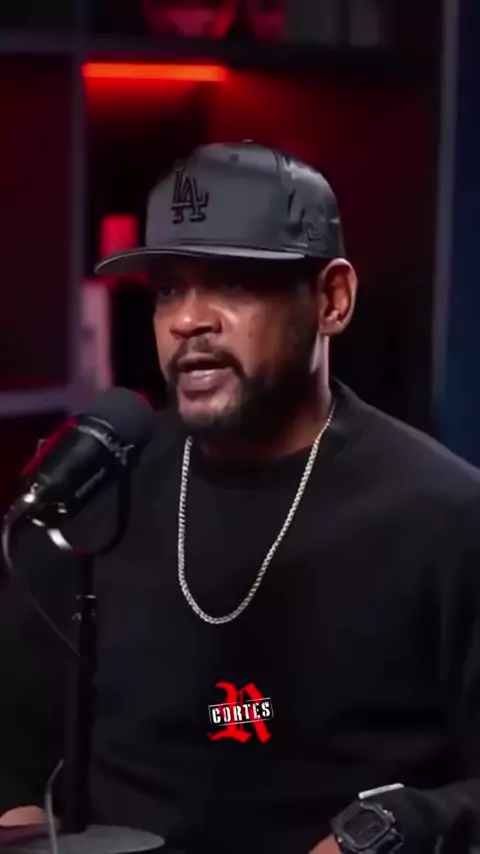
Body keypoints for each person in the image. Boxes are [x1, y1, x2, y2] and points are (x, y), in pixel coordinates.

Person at [1, 140, 480, 854]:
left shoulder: (447, 515)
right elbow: (15, 742)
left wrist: (396, 829)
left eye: (231, 283)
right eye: (169, 290)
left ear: (332, 300)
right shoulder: (95, 493)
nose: (187, 320)